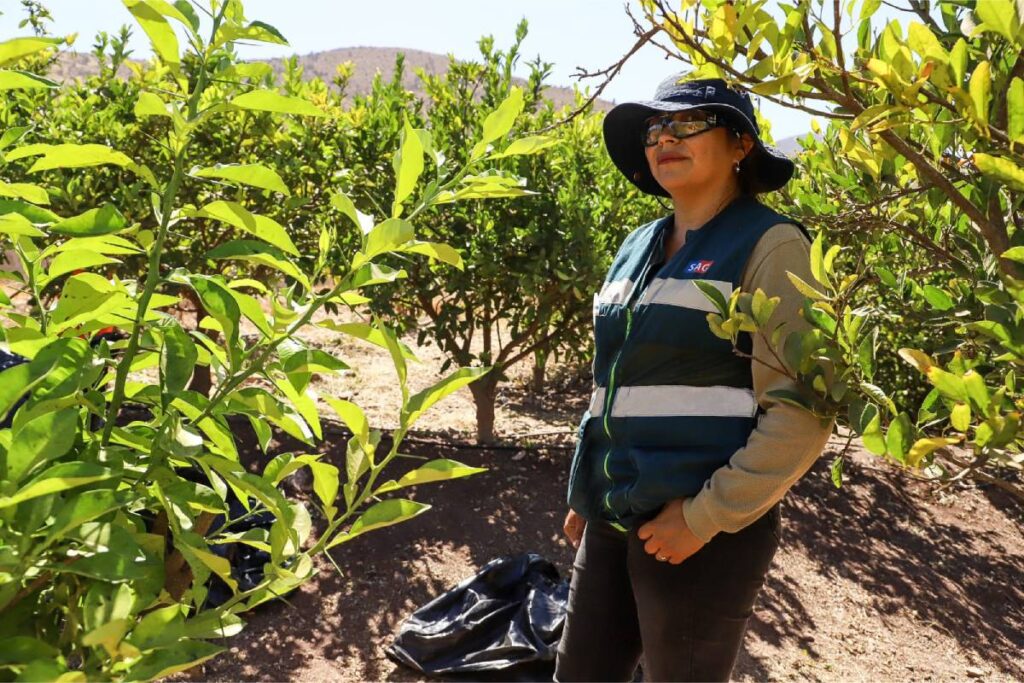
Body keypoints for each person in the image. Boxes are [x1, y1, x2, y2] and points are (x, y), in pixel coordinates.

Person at [553, 75, 836, 682]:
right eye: (654, 129)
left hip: (699, 531)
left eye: (686, 125)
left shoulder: (773, 245)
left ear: (740, 146)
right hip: (612, 513)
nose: (663, 139)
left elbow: (804, 409)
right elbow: (616, 377)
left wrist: (704, 517)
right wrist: (588, 485)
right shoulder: (637, 244)